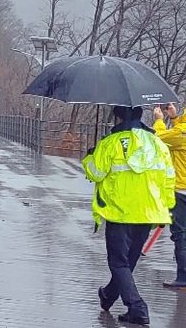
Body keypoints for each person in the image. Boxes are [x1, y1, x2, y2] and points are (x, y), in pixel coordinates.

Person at [82, 105, 176, 325]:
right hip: (148, 212)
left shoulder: (110, 143)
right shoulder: (157, 144)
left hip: (120, 211)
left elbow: (95, 173)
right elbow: (168, 178)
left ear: (117, 116)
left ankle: (137, 307)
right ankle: (109, 295)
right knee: (128, 261)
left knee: (118, 262)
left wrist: (90, 156)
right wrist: (166, 208)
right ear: (139, 115)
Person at [152, 103, 186, 288]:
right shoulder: (181, 130)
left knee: (180, 234)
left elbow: (159, 139)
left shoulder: (181, 133)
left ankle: (183, 276)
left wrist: (160, 121)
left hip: (181, 189)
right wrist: (174, 119)